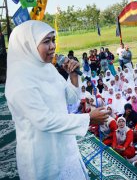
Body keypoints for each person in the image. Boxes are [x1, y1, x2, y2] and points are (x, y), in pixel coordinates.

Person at [5, 20, 109, 179]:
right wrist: (88, 119)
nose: (53, 46)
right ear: (28, 45)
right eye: (46, 41)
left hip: (64, 144)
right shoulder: (20, 80)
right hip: (42, 156)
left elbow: (71, 98)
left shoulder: (47, 69)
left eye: (53, 40)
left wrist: (73, 76)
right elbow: (44, 121)